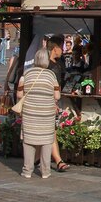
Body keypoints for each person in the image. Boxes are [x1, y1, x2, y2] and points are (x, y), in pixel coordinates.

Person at [18, 48, 60, 179]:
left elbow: (19, 94)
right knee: (47, 142)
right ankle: (45, 171)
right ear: (47, 60)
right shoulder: (51, 75)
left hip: (29, 112)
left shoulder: (26, 74)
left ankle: (27, 171)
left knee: (29, 142)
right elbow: (57, 95)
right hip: (46, 113)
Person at [43, 35, 70, 172]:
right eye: (61, 46)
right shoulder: (47, 65)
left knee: (49, 131)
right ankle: (58, 160)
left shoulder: (58, 63)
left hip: (53, 100)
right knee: (51, 131)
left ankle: (38, 158)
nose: (63, 50)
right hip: (47, 101)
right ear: (55, 48)